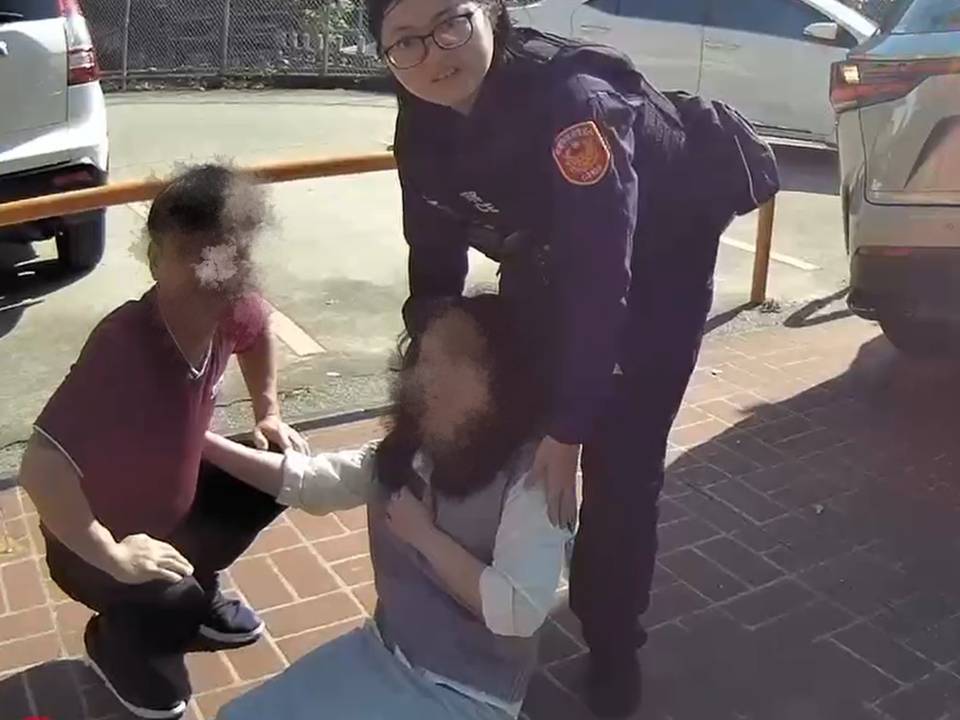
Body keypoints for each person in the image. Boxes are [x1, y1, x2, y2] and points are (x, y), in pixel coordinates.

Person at [367, 0, 781, 716]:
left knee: (618, 467)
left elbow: (602, 271)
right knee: (509, 428)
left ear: (491, 12)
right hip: (547, 254)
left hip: (656, 264)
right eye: (405, 42)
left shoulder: (574, 101)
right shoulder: (423, 116)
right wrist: (430, 385)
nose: (433, 54)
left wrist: (569, 428)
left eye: (450, 22)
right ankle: (495, 593)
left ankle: (614, 641)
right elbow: (431, 265)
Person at [17, 164, 309, 720]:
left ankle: (198, 577)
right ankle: (118, 641)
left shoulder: (233, 306)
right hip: (93, 542)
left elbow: (258, 330)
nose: (210, 273)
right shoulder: (124, 346)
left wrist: (268, 411)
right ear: (155, 260)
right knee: (174, 606)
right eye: (190, 256)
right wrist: (112, 554)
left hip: (176, 504)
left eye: (226, 256)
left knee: (281, 464)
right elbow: (40, 464)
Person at [204, 293, 571, 720]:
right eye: (427, 359)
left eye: (457, 363)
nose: (428, 378)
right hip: (383, 652)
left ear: (502, 383)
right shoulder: (410, 449)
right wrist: (203, 444)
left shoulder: (532, 477)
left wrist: (425, 537)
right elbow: (311, 482)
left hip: (470, 693)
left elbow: (517, 612)